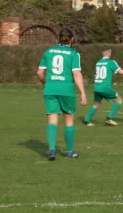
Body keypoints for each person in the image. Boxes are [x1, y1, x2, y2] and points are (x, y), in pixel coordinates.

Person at [36, 28, 87, 161]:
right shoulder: (74, 54)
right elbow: (76, 74)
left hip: (50, 89)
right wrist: (82, 93)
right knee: (69, 121)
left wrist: (44, 82)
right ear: (72, 39)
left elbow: (39, 73)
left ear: (58, 38)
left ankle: (52, 150)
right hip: (67, 90)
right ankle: (69, 152)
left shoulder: (49, 51)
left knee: (52, 120)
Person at [83, 47, 123, 127]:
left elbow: (96, 75)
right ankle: (109, 118)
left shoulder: (98, 62)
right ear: (109, 53)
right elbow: (120, 71)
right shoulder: (111, 62)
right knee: (119, 100)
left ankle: (86, 121)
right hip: (105, 87)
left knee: (96, 104)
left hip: (96, 87)